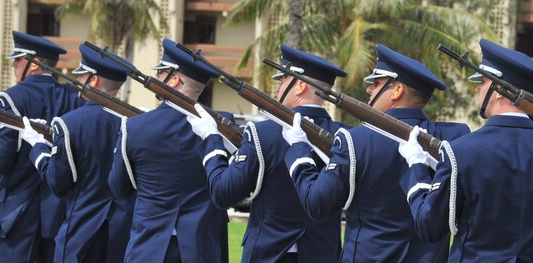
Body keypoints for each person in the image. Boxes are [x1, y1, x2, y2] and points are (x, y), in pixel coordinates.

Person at [281, 44, 470, 262]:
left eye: (376, 83)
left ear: (397, 90)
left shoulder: (355, 140)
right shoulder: (454, 138)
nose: (369, 90)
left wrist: (299, 150)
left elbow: (318, 205)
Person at [399, 39, 533, 262]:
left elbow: (429, 227)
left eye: (484, 81)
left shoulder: (461, 150)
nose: (477, 88)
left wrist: (417, 166)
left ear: (500, 91)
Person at [185, 44, 347, 263]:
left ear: (299, 85)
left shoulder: (263, 133)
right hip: (323, 254)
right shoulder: (346, 137)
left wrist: (212, 140)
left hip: (269, 254)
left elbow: (224, 193)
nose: (278, 89)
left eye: (282, 81)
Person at [108, 38, 229, 263]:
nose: (157, 79)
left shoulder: (134, 127)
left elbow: (118, 186)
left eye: (161, 73)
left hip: (148, 248)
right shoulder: (223, 126)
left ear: (174, 80)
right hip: (201, 248)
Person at [19, 43, 136, 263]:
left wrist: (38, 148)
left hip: (81, 234)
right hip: (121, 237)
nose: (78, 83)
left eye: (81, 77)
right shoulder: (135, 124)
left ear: (93, 80)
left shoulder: (70, 123)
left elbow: (58, 183)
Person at [0, 31, 82, 262]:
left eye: (18, 59)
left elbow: (1, 162)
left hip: (17, 210)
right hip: (60, 210)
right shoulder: (74, 98)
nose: (13, 64)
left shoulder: (9, 100)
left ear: (34, 64)